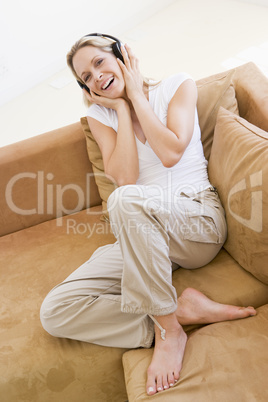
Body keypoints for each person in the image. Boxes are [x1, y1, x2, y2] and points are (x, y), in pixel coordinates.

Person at [40, 33, 256, 396]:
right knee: (56, 311)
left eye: (98, 63)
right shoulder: (100, 116)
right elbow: (125, 177)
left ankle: (168, 331)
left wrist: (135, 96)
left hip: (196, 220)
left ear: (122, 54)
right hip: (140, 233)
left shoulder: (177, 86)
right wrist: (120, 110)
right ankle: (177, 311)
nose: (96, 77)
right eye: (86, 77)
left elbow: (171, 152)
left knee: (124, 200)